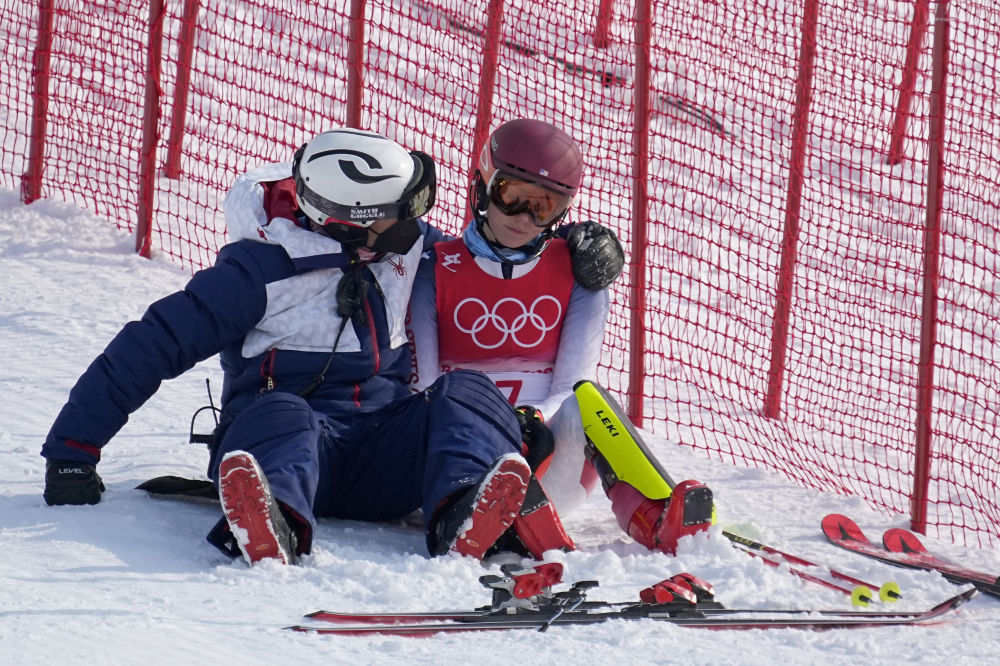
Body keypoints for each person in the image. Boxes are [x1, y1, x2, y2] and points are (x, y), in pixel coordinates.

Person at [39, 128, 610, 566]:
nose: (420, 225)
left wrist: (581, 247)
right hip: (286, 449)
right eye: (402, 214)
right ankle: (271, 520)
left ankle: (467, 510)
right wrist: (72, 449)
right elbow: (152, 344)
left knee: (466, 391)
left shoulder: (401, 252)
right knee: (284, 410)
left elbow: (493, 251)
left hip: (380, 452)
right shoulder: (257, 275)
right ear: (355, 224)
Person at [408, 119, 714, 557]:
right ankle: (496, 518)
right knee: (441, 406)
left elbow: (575, 382)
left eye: (544, 206)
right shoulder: (435, 267)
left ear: (563, 212)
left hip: (549, 454)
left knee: (589, 402)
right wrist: (500, 430)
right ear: (483, 186)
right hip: (455, 457)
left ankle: (655, 516)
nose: (523, 218)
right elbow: (424, 385)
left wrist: (530, 421)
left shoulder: (581, 272)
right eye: (511, 197)